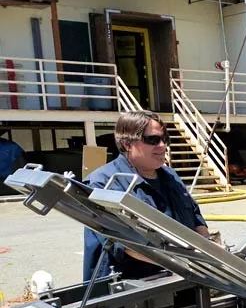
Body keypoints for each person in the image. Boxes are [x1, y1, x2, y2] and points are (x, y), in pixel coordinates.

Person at [83, 110, 210, 281]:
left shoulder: (170, 177)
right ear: (127, 143)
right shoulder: (104, 183)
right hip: (128, 291)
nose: (162, 146)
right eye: (153, 140)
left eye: (165, 139)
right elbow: (124, 244)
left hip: (182, 280)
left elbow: (196, 219)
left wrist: (208, 258)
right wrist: (183, 263)